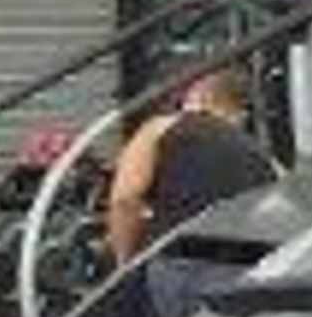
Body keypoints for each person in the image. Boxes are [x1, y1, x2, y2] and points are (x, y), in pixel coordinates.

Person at [104, 68, 278, 272]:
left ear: (201, 96)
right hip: (241, 269)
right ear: (241, 110)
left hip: (179, 263)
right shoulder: (257, 153)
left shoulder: (160, 129)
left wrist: (124, 261)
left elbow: (125, 200)